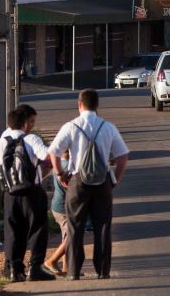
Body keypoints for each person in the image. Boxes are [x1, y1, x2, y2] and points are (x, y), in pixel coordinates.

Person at [49, 89, 130, 281]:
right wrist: (115, 179)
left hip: (78, 182)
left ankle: (73, 271)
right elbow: (122, 155)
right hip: (102, 183)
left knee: (75, 227)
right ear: (97, 105)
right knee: (102, 227)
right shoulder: (108, 127)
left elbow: (54, 151)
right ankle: (103, 270)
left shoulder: (71, 126)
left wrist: (60, 173)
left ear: (79, 104)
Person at [0, 105, 55, 282]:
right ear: (23, 123)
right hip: (33, 192)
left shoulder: (0, 143)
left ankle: (14, 270)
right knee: (37, 229)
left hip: (10, 195)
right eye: (30, 122)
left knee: (13, 232)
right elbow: (47, 156)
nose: (31, 126)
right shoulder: (32, 139)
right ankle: (35, 268)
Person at [44, 150, 71, 277]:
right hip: (64, 208)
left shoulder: (59, 164)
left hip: (58, 206)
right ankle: (51, 261)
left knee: (67, 237)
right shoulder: (68, 167)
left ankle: (67, 268)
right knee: (71, 237)